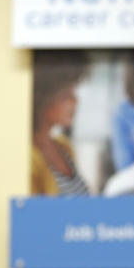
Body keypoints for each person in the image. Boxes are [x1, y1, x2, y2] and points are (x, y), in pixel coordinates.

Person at [30, 50, 91, 196]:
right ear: (42, 100)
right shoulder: (30, 157)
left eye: (73, 92)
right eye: (65, 95)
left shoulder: (64, 146)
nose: (75, 101)